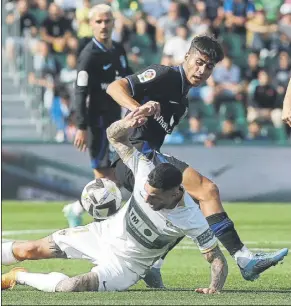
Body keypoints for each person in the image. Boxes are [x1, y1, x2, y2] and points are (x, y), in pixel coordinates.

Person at [65, 35, 288, 286]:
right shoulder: (165, 75)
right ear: (186, 57)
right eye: (199, 62)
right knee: (207, 190)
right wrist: (137, 108)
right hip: (134, 157)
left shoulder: (182, 99)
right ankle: (245, 259)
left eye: (209, 66)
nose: (202, 70)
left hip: (144, 160)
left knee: (189, 205)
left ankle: (153, 264)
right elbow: (115, 87)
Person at [1, 110, 228, 294]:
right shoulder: (144, 170)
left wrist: (213, 288)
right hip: (101, 235)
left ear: (175, 192)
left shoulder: (192, 218)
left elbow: (216, 259)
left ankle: (17, 276)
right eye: (146, 192)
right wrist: (126, 122)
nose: (146, 199)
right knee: (29, 248)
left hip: (125, 267)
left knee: (71, 286)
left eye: (155, 197)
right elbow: (114, 136)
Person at [63, 4, 131, 226]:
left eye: (107, 21)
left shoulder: (118, 50)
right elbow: (80, 92)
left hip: (117, 121)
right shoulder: (88, 56)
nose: (103, 25)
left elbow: (128, 80)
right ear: (90, 24)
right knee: (102, 179)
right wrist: (81, 126)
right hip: (97, 123)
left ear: (113, 23)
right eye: (99, 21)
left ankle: (75, 209)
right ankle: (100, 225)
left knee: (119, 178)